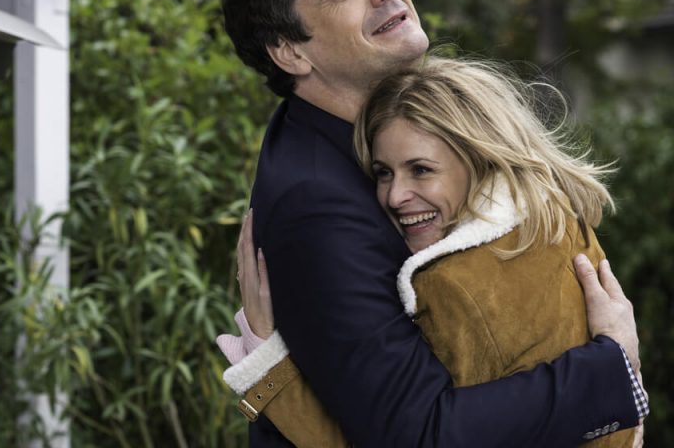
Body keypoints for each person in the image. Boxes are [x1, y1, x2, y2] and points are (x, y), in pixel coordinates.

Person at [219, 0, 647, 447]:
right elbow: (417, 432)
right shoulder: (316, 207)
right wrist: (611, 368)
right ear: (291, 52)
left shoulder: (397, 127)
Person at [217, 57, 644, 447]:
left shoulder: (453, 285)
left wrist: (268, 369)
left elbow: (417, 439)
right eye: (383, 173)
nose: (394, 195)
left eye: (421, 170)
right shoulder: (556, 221)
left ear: (478, 157)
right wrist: (617, 366)